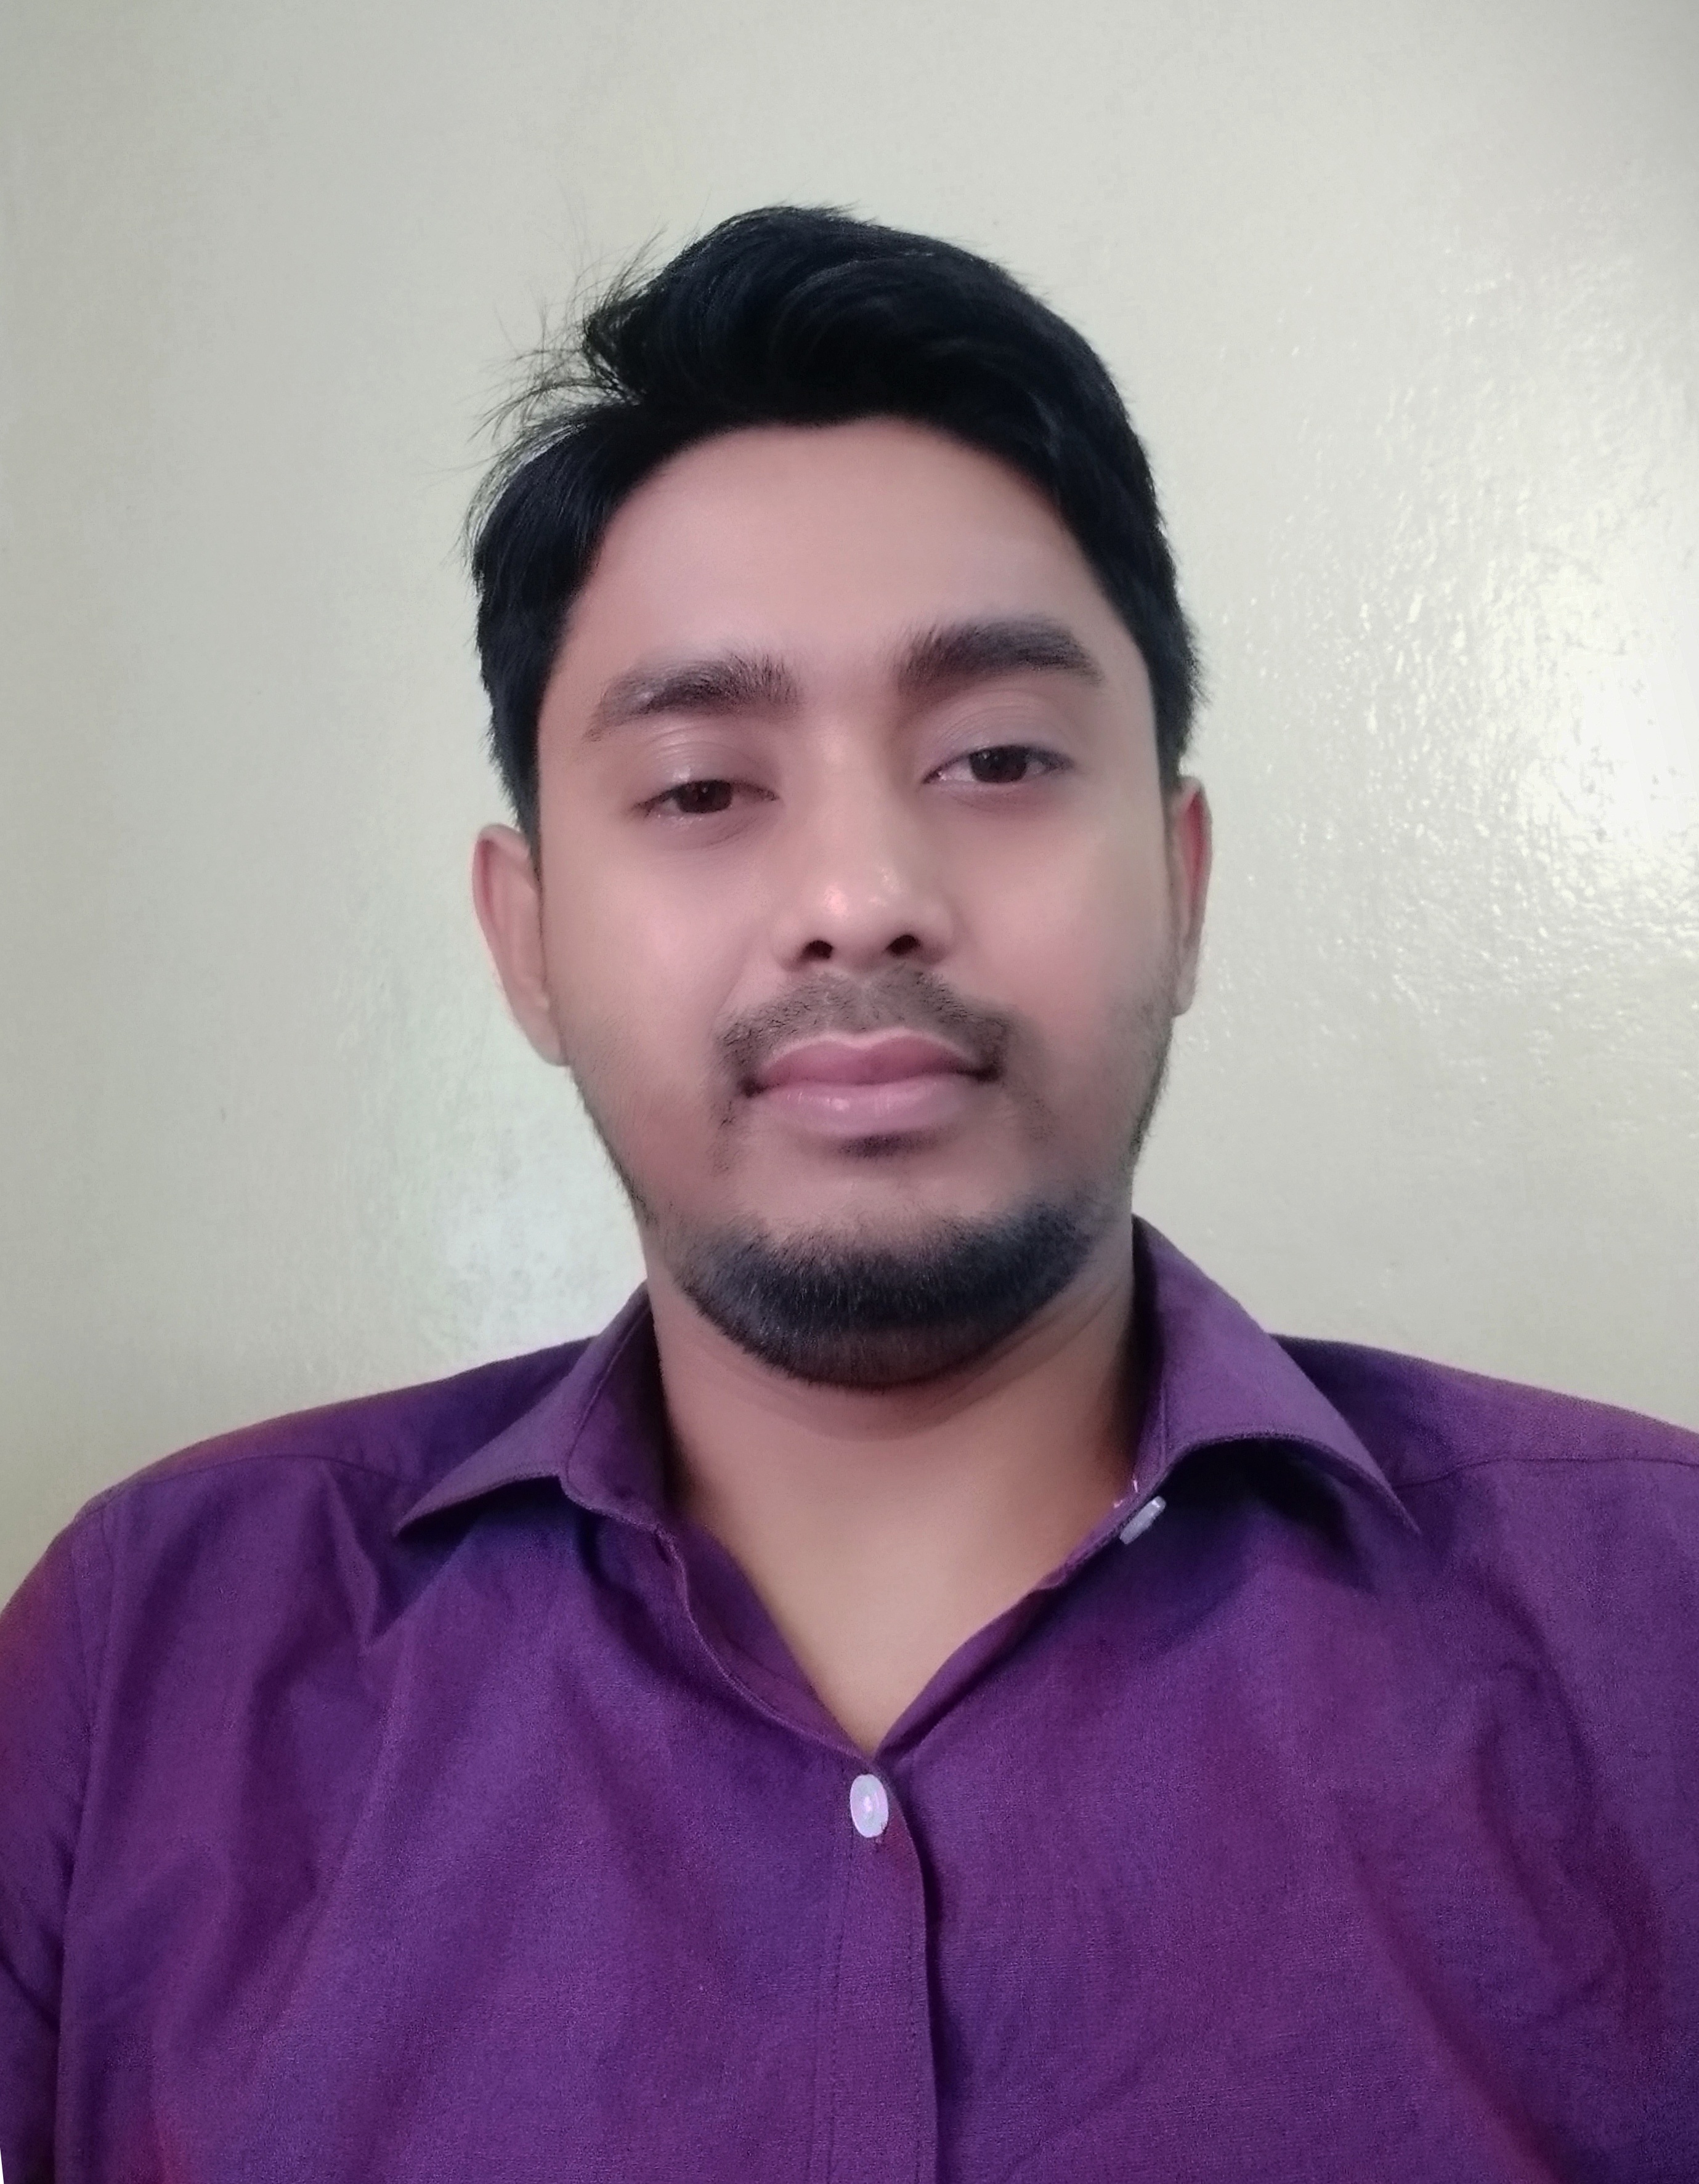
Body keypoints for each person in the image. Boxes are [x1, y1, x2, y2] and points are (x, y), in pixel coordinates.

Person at [1, 205, 1695, 2184]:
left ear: (1182, 882)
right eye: (703, 788)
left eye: (995, 758)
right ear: (528, 938)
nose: (859, 894)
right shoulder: (145, 1658)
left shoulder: (1656, 1626)